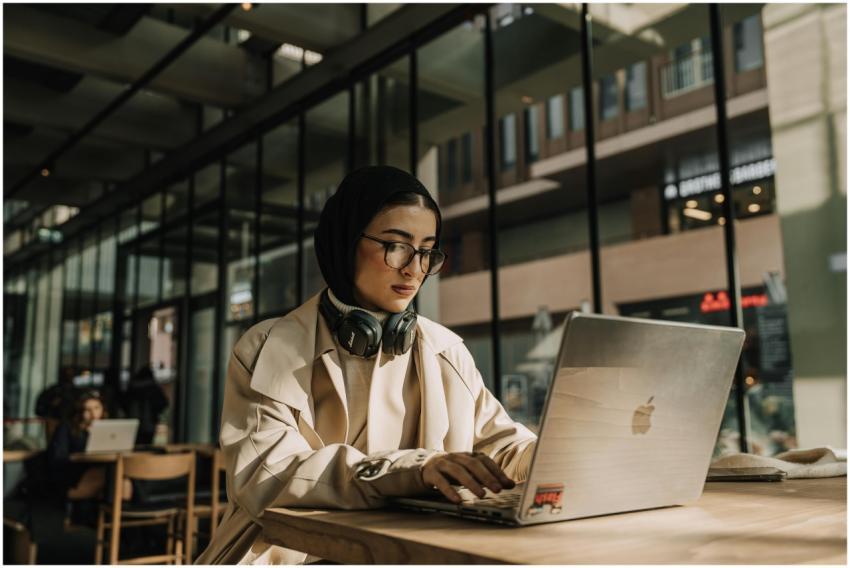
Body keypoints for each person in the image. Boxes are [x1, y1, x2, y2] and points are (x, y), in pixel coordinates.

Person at [196, 166, 537, 564]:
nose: (414, 269)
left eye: (427, 251)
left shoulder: (447, 350)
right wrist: (414, 469)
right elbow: (265, 476)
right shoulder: (265, 346)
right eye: (396, 246)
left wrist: (557, 454)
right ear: (345, 241)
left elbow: (502, 446)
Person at [122, 365, 168, 445]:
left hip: (133, 422)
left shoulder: (132, 389)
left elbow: (124, 404)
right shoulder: (154, 389)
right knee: (147, 445)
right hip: (149, 422)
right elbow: (163, 403)